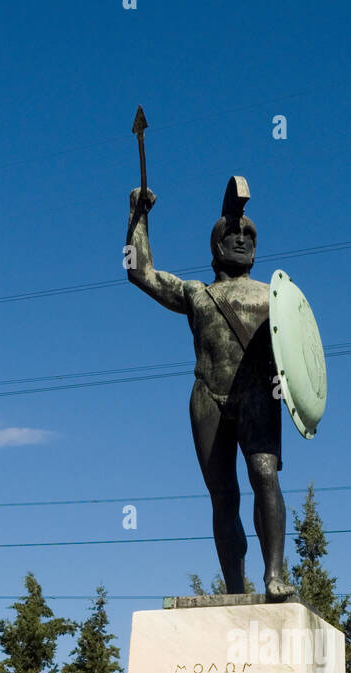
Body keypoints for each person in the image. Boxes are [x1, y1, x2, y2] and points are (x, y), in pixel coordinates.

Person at [125, 179, 295, 599]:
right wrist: (138, 217)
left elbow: (299, 350)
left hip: (258, 395)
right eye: (232, 234)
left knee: (264, 475)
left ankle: (274, 574)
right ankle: (235, 588)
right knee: (223, 496)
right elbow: (137, 271)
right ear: (216, 245)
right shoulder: (198, 294)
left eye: (249, 235)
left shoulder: (275, 295)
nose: (241, 238)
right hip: (208, 398)